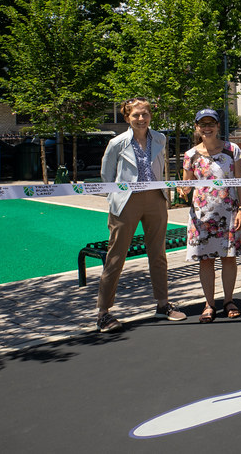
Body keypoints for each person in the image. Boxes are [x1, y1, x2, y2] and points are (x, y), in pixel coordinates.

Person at [95, 97, 186, 333]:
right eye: (136, 115)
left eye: (145, 114)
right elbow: (107, 176)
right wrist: (116, 199)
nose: (141, 119)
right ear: (127, 117)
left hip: (155, 198)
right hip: (126, 202)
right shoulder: (117, 143)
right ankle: (104, 313)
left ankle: (163, 304)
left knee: (158, 254)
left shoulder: (160, 138)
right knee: (116, 257)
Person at [180, 108, 241, 322]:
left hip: (228, 214)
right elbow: (187, 184)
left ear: (218, 126)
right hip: (201, 218)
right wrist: (183, 191)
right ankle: (209, 304)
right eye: (203, 124)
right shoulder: (190, 155)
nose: (207, 128)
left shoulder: (232, 150)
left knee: (229, 259)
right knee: (205, 261)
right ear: (197, 127)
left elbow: (240, 181)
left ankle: (229, 300)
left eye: (211, 123)